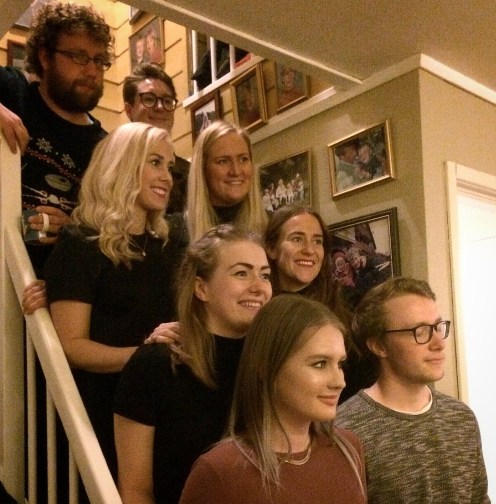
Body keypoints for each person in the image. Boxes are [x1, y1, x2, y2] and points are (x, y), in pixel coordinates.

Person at [44, 122, 177, 479]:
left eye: (169, 167)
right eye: (155, 162)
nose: (167, 177)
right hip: (103, 407)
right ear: (123, 163)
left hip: (158, 404)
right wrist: (145, 355)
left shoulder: (168, 247)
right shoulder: (81, 243)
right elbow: (72, 346)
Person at [113, 224, 272, 504]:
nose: (258, 287)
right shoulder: (154, 365)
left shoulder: (276, 361)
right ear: (201, 288)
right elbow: (135, 490)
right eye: (241, 273)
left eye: (265, 275)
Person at [179, 294, 367, 504]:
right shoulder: (221, 471)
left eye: (340, 364)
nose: (339, 382)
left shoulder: (349, 449)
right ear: (267, 367)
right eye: (320, 364)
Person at [335, 277, 490, 503]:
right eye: (420, 331)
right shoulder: (345, 428)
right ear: (379, 345)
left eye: (438, 327)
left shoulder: (461, 417)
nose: (439, 343)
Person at [0, 2, 113, 276]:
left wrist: (75, 230)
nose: (92, 71)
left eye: (99, 61)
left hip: (52, 289)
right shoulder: (14, 92)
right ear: (45, 57)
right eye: (79, 56)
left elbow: (117, 237)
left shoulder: (108, 149)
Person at [168, 120, 268, 250]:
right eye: (223, 161)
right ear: (202, 169)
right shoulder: (175, 233)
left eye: (243, 159)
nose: (236, 171)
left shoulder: (272, 229)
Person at [123, 62, 189, 214]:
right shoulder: (112, 169)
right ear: (129, 110)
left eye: (167, 101)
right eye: (149, 99)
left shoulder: (192, 175)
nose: (160, 107)